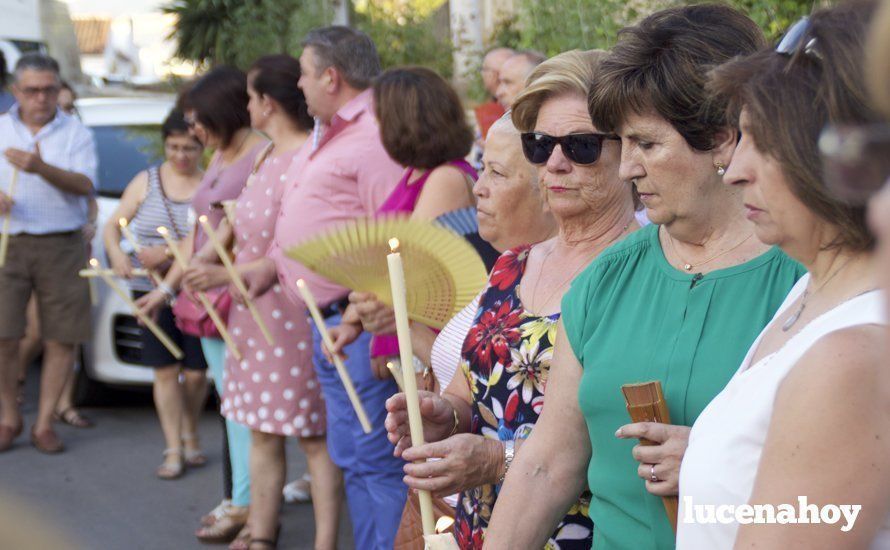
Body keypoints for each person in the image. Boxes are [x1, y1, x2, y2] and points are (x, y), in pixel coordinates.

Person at [484, 6, 805, 548]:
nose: (627, 167)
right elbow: (549, 462)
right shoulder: (605, 280)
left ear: (722, 138)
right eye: (622, 142)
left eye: (646, 144)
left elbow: (854, 500)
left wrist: (719, 467)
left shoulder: (811, 277)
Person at [384, 50, 638, 549]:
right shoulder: (512, 265)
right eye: (541, 145)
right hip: (481, 528)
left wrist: (496, 457)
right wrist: (444, 415)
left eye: (582, 145)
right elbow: (469, 395)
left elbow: (629, 444)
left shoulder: (642, 273)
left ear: (628, 150)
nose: (557, 162)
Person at [679, 3, 890, 547]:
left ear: (843, 154)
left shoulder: (852, 355)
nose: (736, 170)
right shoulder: (812, 287)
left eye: (765, 142)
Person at [239, 26, 405, 550]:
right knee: (354, 457)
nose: (300, 86)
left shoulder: (376, 132)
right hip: (330, 321)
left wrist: (378, 332)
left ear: (330, 77)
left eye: (305, 75)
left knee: (377, 460)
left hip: (358, 324)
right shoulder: (328, 129)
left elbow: (393, 232)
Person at [183, 54, 340, 550]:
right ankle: (260, 531)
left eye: (250, 97)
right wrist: (201, 264)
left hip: (290, 309)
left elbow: (292, 244)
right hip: (250, 308)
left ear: (267, 103)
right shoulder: (265, 155)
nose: (246, 106)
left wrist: (223, 271)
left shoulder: (310, 157)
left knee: (311, 433)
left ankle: (326, 541)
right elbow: (235, 222)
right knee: (260, 426)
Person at [138, 66, 267, 544]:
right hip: (205, 298)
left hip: (240, 295)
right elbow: (200, 233)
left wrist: (197, 272)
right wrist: (168, 288)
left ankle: (248, 503)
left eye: (199, 117)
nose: (192, 128)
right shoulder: (221, 154)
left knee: (244, 407)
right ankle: (242, 498)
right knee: (231, 402)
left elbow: (232, 232)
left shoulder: (259, 154)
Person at [0, 53, 97, 454]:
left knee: (62, 337)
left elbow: (84, 184)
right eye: (32, 90)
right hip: (9, 242)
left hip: (61, 243)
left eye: (49, 90)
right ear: (14, 91)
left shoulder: (76, 133)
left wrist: (40, 168)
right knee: (4, 335)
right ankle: (8, 416)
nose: (42, 98)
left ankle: (43, 423)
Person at [103, 108, 207, 479]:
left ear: (201, 147)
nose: (181, 155)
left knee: (196, 373)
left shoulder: (208, 185)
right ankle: (174, 446)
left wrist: (167, 251)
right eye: (174, 147)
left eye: (189, 148)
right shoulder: (145, 180)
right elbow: (114, 226)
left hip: (195, 293)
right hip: (148, 291)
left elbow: (206, 240)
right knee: (164, 371)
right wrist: (117, 253)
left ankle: (191, 429)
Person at [475, 47, 513, 140]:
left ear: (494, 74)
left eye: (484, 69)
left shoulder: (511, 106)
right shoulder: (491, 104)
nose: (482, 74)